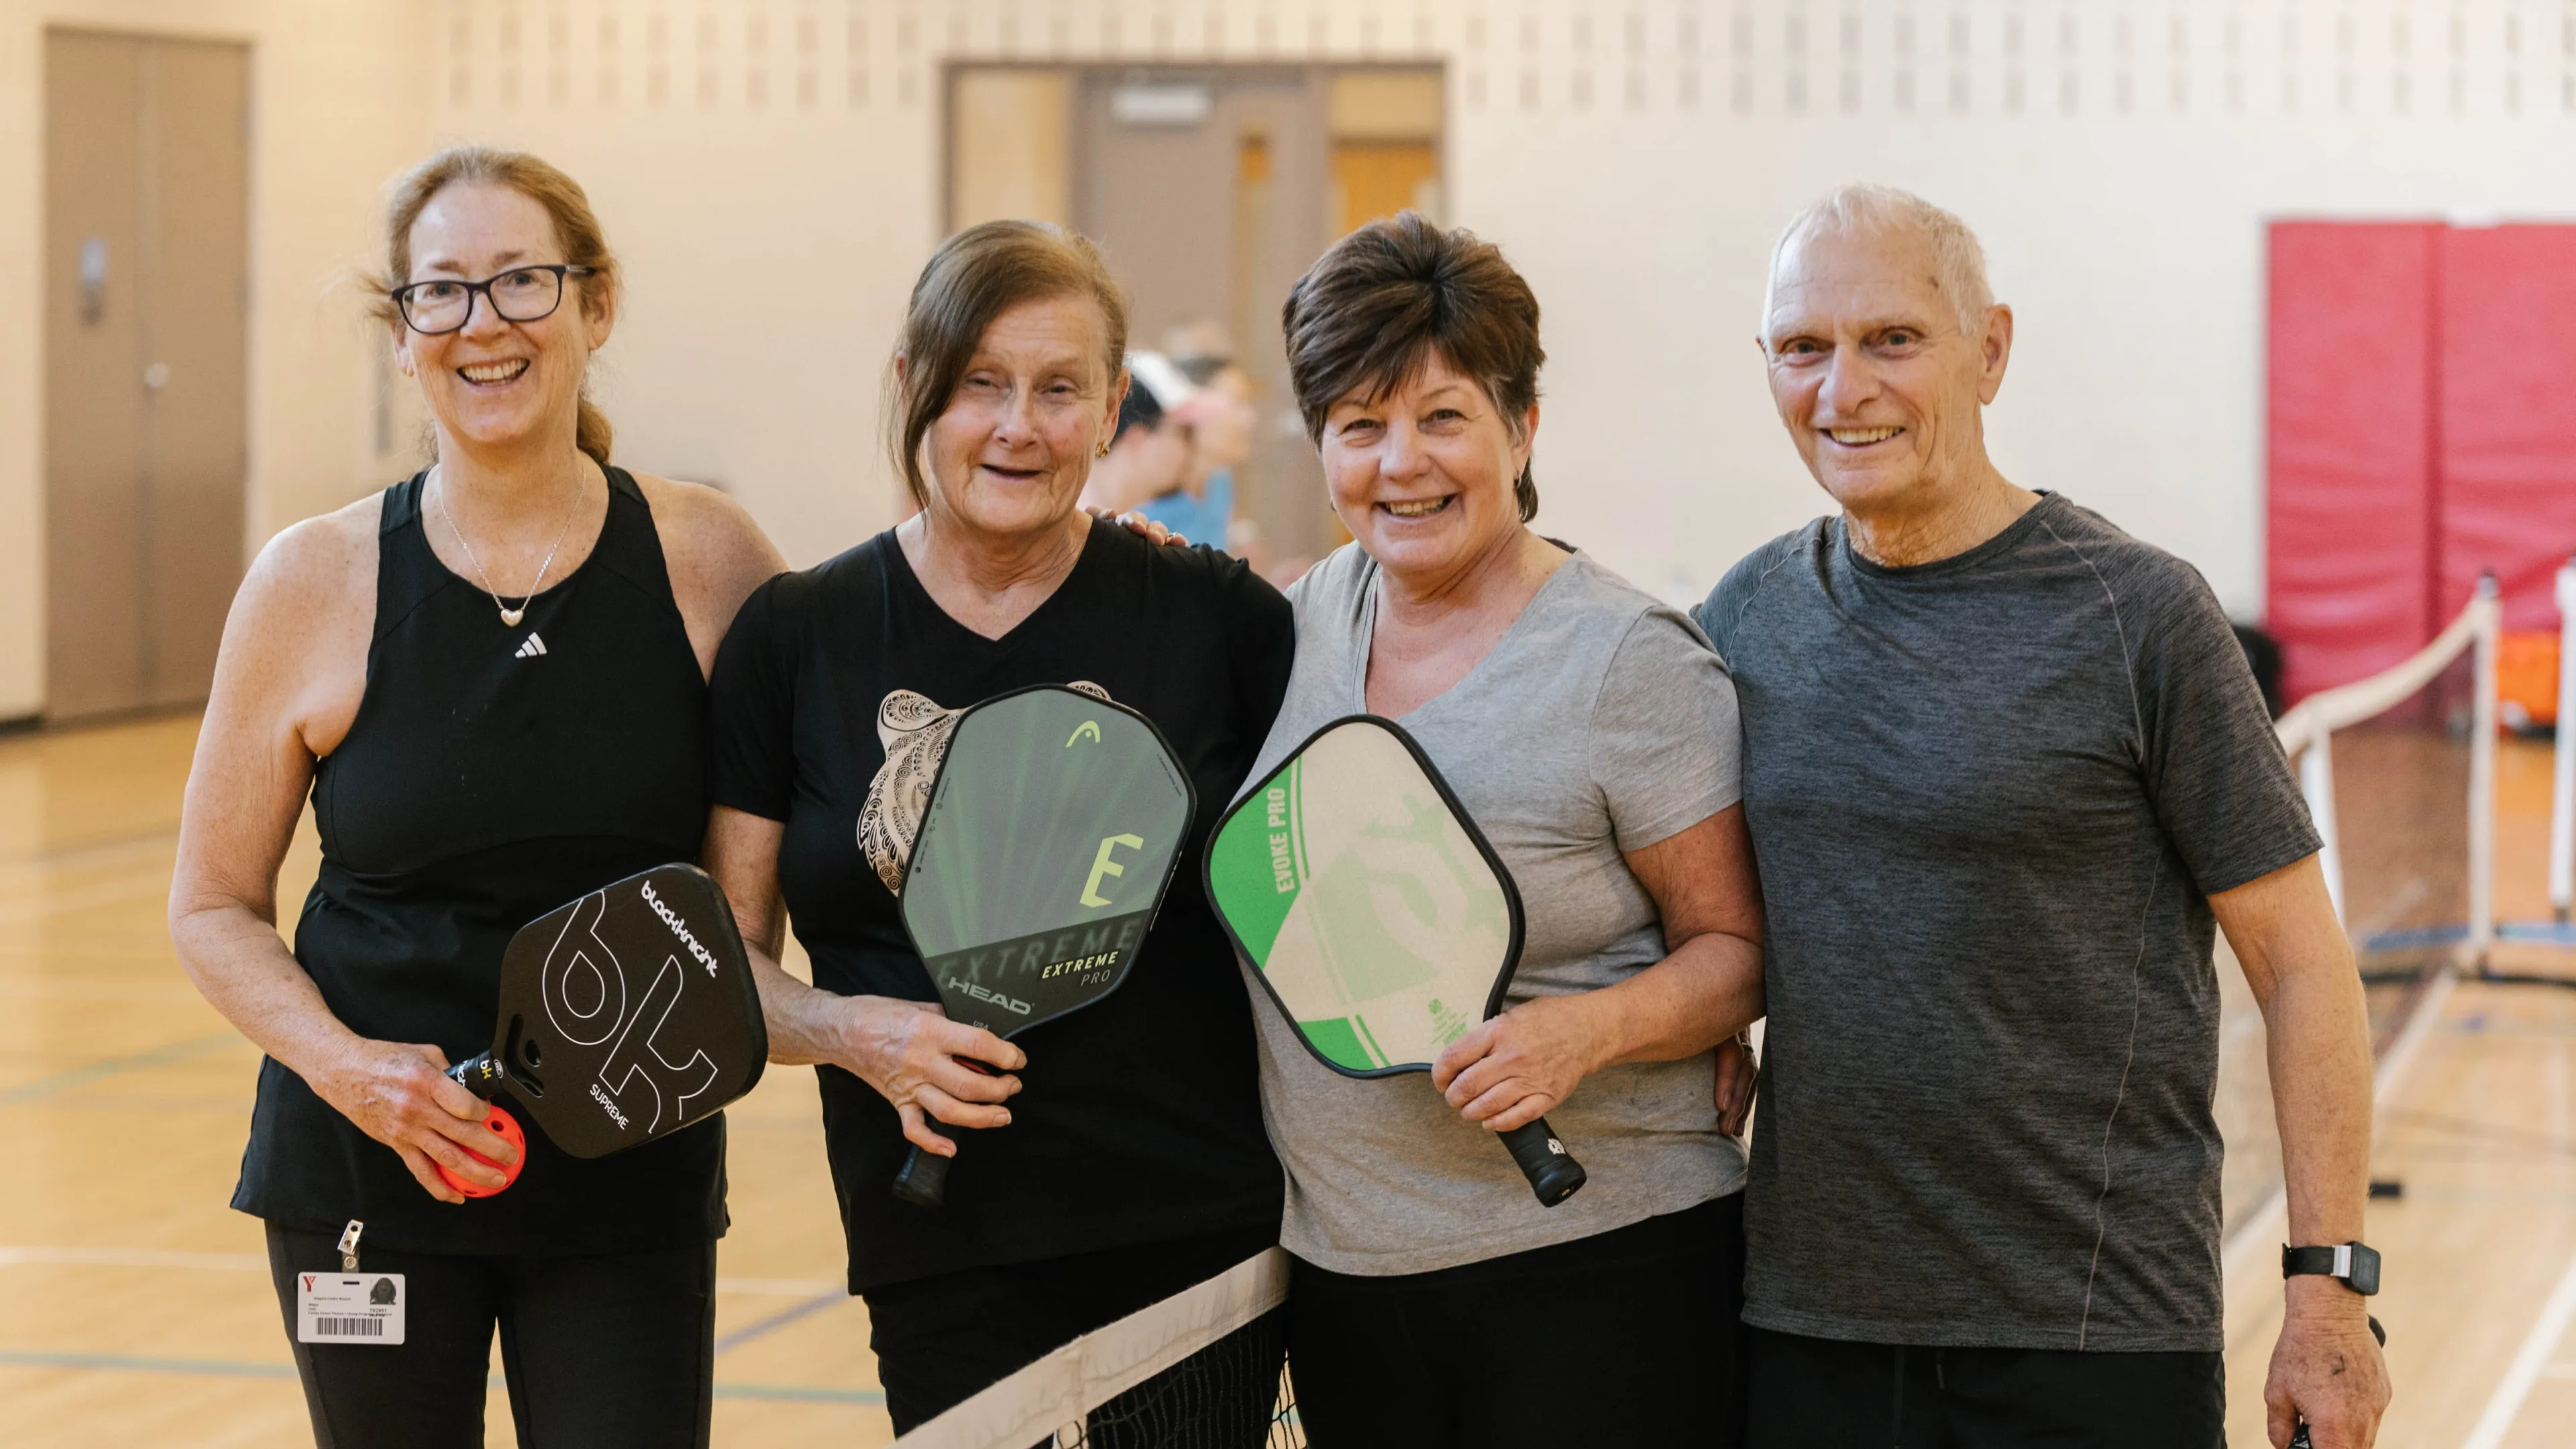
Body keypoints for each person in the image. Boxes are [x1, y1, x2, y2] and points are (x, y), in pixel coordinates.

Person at [1696, 184, 2392, 1449]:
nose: (1843, 387)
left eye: (1891, 339)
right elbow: (1698, 916)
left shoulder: (2142, 616)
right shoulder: (1744, 621)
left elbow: (2301, 966)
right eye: (1805, 347)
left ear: (1991, 350)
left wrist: (2326, 1286)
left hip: (2096, 1337)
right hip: (1812, 1334)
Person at [168, 146, 783, 1448]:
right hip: (364, 1178)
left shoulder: (711, 562)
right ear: (403, 336)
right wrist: (352, 1073)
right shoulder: (310, 581)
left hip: (628, 1188)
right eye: (440, 293)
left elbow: (759, 916)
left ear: (594, 307)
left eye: (521, 282)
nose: (481, 324)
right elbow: (213, 908)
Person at [698, 219, 1294, 1434]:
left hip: (1195, 1228)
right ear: (914, 387)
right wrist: (852, 1031)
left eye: (1060, 388)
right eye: (981, 383)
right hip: (935, 1244)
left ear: (1115, 405)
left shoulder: (1214, 617)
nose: (1018, 425)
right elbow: (724, 967)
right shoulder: (796, 639)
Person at [1244, 211, 1765, 1446]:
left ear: (1521, 427)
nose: (1401, 463)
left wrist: (1583, 1033)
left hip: (1599, 1261)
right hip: (1346, 1267)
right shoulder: (1300, 621)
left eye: (1442, 417)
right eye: (1360, 427)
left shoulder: (1626, 661)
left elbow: (1739, 949)